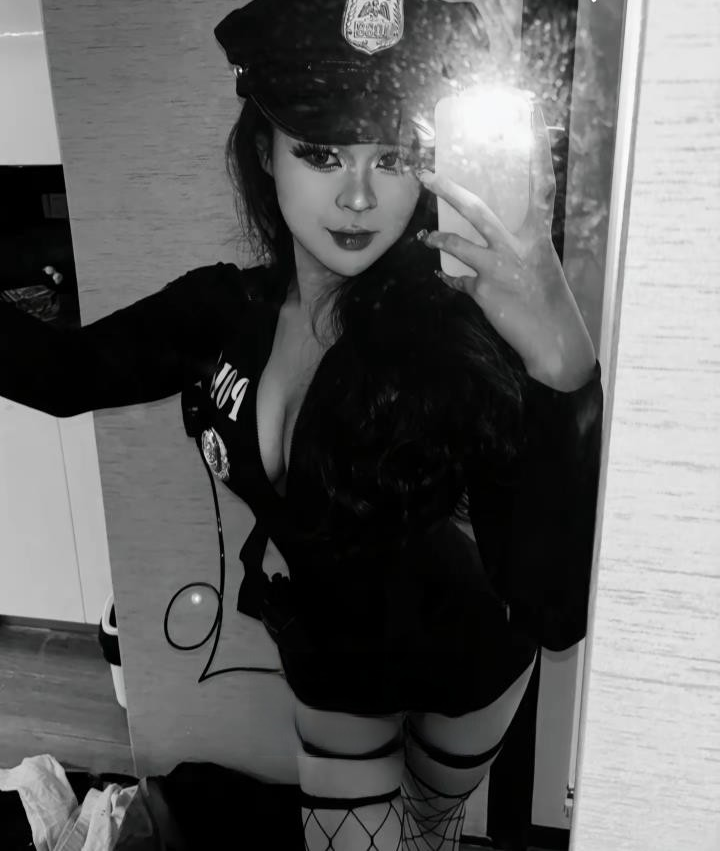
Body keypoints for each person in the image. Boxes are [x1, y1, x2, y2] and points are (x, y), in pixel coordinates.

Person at [0, 1, 603, 849]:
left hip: (467, 666)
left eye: (393, 157)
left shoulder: (456, 337)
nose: (358, 195)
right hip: (334, 668)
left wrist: (563, 367)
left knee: (427, 839)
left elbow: (552, 609)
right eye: (320, 153)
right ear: (264, 151)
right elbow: (61, 374)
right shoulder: (221, 311)